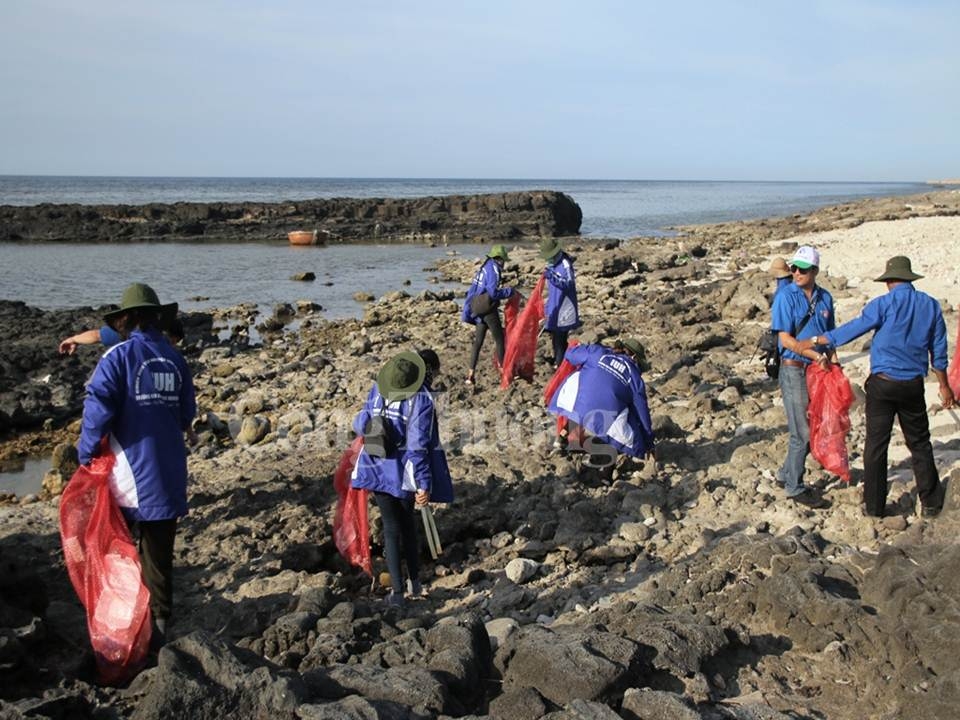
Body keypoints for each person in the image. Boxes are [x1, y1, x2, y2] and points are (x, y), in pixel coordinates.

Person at [76, 283, 196, 644]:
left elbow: (97, 411)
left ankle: (128, 633)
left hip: (128, 479)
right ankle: (161, 633)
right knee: (159, 559)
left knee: (121, 555)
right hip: (170, 474)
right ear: (157, 319)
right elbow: (185, 416)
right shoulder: (176, 360)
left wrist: (85, 457)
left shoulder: (117, 357)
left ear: (126, 319)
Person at [798, 256, 955, 518]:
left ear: (889, 281)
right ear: (910, 280)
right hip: (913, 385)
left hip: (882, 385)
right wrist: (944, 386)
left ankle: (875, 508)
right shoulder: (930, 306)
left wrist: (815, 339)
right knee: (919, 443)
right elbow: (938, 353)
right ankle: (930, 504)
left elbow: (854, 329)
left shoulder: (883, 303)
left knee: (876, 446)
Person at [351, 349, 453, 607]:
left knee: (390, 527)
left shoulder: (377, 391)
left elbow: (360, 423)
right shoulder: (421, 400)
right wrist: (424, 483)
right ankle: (413, 584)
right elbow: (418, 446)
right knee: (407, 524)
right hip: (404, 472)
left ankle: (396, 594)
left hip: (375, 466)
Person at [770, 245, 837, 508]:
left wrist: (834, 364)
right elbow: (784, 339)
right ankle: (795, 487)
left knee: (814, 426)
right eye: (794, 267)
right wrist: (811, 353)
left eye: (803, 269)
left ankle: (785, 473)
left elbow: (830, 337)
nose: (796, 272)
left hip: (817, 370)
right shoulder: (785, 297)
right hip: (793, 369)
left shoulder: (825, 298)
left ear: (815, 271)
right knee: (803, 432)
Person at [547, 338, 655, 477]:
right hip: (607, 415)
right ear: (634, 357)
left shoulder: (599, 352)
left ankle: (561, 440)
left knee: (579, 406)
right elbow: (642, 412)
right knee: (623, 423)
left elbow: (571, 355)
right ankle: (606, 474)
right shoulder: (634, 377)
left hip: (575, 401)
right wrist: (648, 442)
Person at [461, 244, 516, 385]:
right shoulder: (494, 270)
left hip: (477, 308)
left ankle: (470, 375)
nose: (504, 263)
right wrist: (509, 292)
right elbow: (493, 292)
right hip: (488, 309)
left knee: (478, 342)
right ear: (499, 259)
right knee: (500, 339)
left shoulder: (484, 267)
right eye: (503, 260)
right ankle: (505, 373)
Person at [59, 302, 179, 354]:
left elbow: (96, 335)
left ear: (126, 317)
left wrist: (73, 339)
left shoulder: (126, 334)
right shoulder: (165, 339)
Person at [539, 238, 580, 367]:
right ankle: (560, 361)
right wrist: (547, 308)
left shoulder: (565, 264)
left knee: (560, 339)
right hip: (555, 306)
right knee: (555, 338)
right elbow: (553, 291)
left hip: (565, 308)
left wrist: (552, 276)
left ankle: (560, 365)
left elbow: (568, 283)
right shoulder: (554, 265)